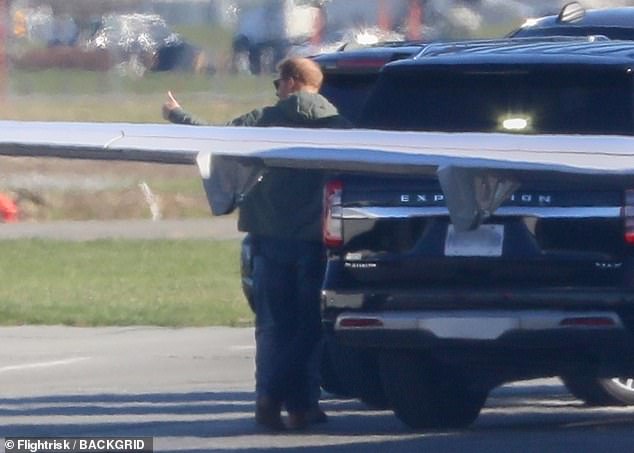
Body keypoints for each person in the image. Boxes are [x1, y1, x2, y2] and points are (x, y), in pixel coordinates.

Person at [162, 57, 352, 431]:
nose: (277, 90)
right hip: (315, 242)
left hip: (268, 238)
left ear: (292, 82)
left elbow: (216, 136)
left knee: (272, 328)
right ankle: (300, 407)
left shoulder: (265, 118)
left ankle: (268, 398)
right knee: (308, 328)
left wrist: (177, 115)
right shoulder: (339, 125)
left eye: (278, 83)